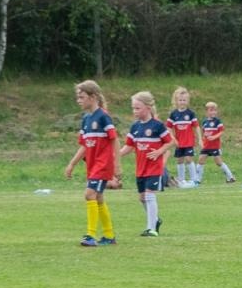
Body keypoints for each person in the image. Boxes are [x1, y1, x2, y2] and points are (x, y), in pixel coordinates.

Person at [64, 79, 120, 247]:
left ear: (93, 97)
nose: (78, 100)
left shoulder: (103, 116)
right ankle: (109, 235)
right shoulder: (86, 119)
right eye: (78, 97)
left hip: (102, 164)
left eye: (81, 97)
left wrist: (117, 166)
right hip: (93, 164)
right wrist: (72, 164)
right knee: (99, 198)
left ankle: (90, 235)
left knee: (89, 194)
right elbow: (84, 146)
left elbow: (114, 140)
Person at [119, 90, 172, 237]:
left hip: (154, 168)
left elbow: (170, 142)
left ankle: (151, 228)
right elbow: (129, 147)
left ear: (148, 108)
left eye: (137, 108)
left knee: (149, 195)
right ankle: (155, 220)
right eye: (133, 108)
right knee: (142, 197)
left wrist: (159, 152)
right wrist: (114, 156)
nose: (134, 111)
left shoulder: (157, 126)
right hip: (140, 168)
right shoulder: (135, 127)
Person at [167, 86, 200, 187]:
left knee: (189, 158)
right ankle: (181, 180)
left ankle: (194, 180)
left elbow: (197, 127)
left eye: (184, 100)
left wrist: (200, 140)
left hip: (189, 141)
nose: (182, 102)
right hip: (178, 142)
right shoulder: (173, 114)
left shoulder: (190, 114)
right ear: (176, 101)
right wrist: (173, 139)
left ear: (188, 101)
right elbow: (169, 128)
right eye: (180, 100)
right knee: (179, 160)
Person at [199, 101, 237, 183]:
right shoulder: (204, 122)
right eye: (211, 110)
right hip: (206, 146)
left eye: (215, 110)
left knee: (218, 162)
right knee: (201, 160)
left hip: (214, 146)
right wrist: (202, 141)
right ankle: (197, 180)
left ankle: (230, 177)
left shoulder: (217, 121)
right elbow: (203, 132)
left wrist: (214, 137)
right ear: (206, 111)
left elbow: (221, 132)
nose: (213, 112)